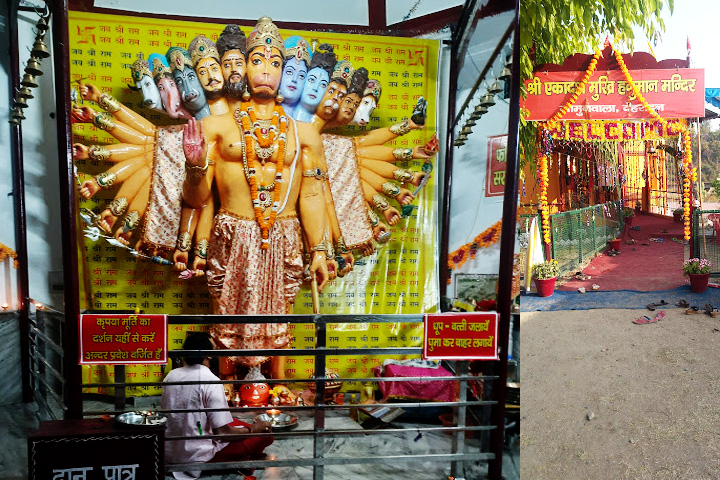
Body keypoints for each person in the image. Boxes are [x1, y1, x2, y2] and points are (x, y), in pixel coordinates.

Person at [162, 332, 273, 479]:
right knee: (265, 434)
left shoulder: (172, 375)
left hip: (169, 451)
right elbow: (222, 432)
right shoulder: (210, 380)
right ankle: (241, 458)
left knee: (236, 423)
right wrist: (252, 429)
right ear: (208, 355)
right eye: (214, 349)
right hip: (196, 456)